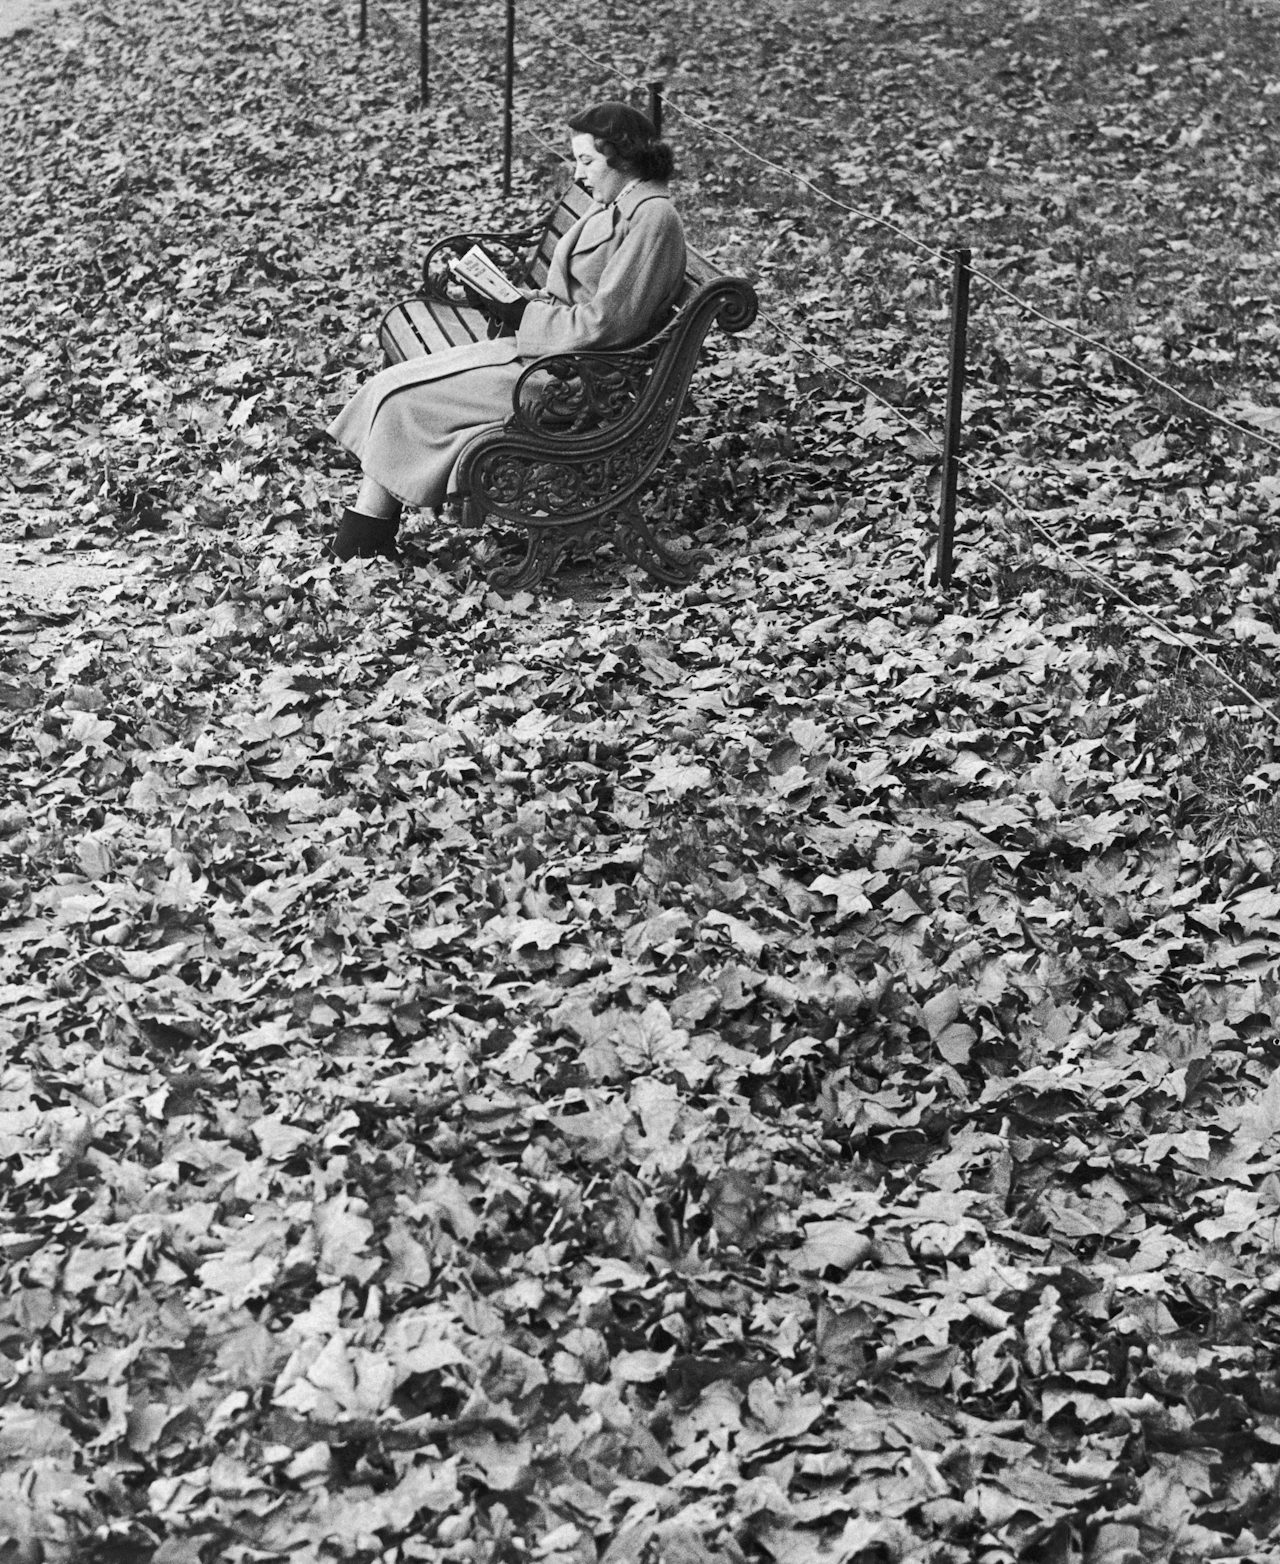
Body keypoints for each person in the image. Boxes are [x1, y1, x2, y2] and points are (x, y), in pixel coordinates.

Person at [325, 101, 686, 561]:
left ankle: (360, 547)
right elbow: (576, 303)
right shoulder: (620, 205)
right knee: (394, 383)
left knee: (405, 400)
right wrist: (506, 300)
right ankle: (366, 541)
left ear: (625, 158)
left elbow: (606, 324)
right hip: (548, 356)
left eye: (587, 160)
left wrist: (521, 313)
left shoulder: (653, 219)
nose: (578, 174)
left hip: (576, 382)